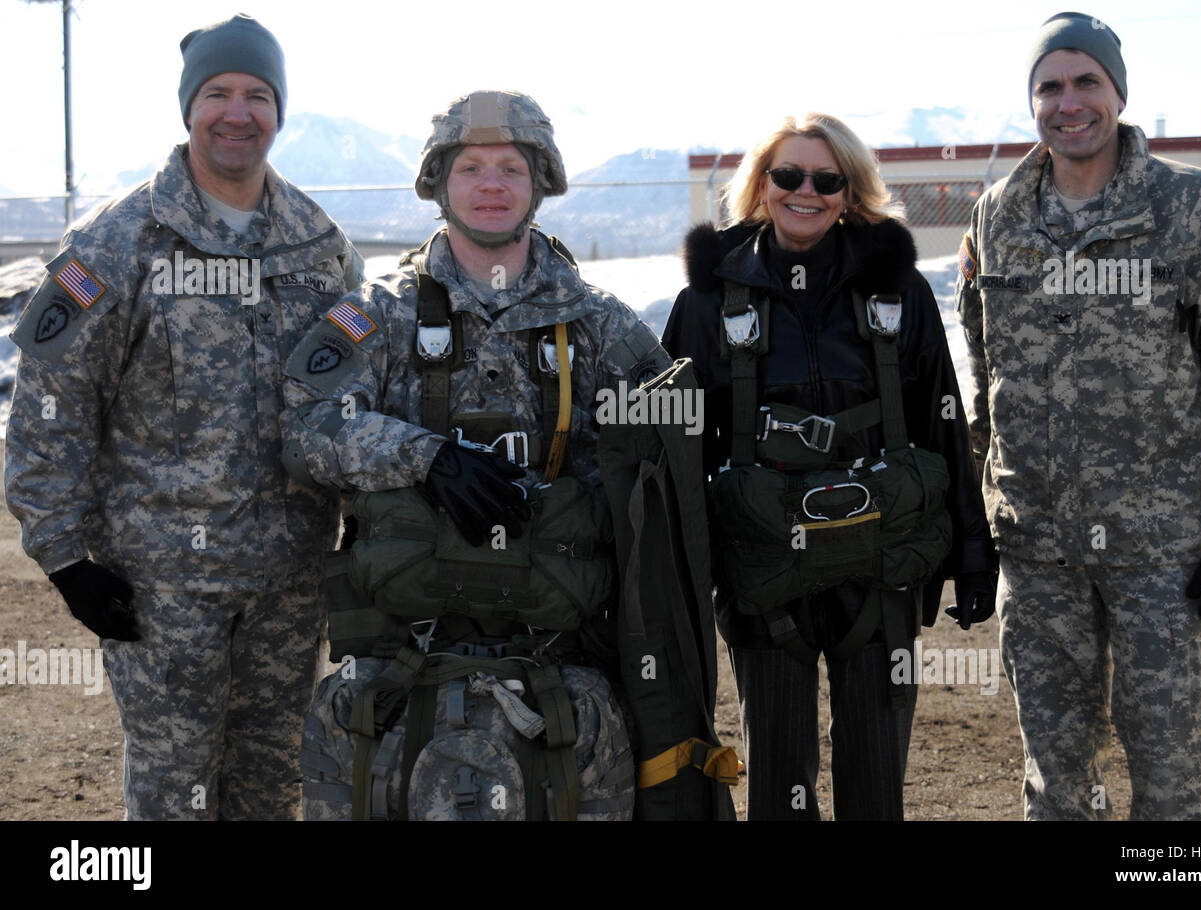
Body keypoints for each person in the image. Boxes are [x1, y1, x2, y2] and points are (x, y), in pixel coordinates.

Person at [285, 90, 735, 821]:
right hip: (404, 660)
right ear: (438, 184)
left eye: (510, 169)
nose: (490, 184)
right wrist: (425, 459)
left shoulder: (599, 325)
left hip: (560, 665)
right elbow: (305, 425)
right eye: (469, 168)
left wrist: (577, 501)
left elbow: (667, 457)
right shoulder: (381, 314)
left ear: (540, 185)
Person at [5, 13, 363, 820]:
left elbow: (350, 395)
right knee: (174, 795)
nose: (238, 113)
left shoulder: (320, 247)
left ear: (280, 111)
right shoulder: (115, 243)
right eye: (218, 93)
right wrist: (65, 560)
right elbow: (50, 409)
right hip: (162, 587)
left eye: (258, 95)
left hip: (289, 583)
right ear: (188, 108)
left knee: (271, 790)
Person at [957, 12, 1201, 820]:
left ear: (1117, 92)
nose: (1068, 104)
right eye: (1049, 87)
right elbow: (983, 364)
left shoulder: (1189, 208)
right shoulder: (997, 216)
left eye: (1086, 83)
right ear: (1031, 102)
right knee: (1056, 774)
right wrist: (976, 507)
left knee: (1172, 771)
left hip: (1160, 548)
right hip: (1037, 550)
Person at [662, 112, 996, 820]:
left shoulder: (898, 293)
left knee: (876, 783)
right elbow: (677, 449)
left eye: (825, 179)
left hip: (882, 566)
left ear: (851, 192)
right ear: (760, 185)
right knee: (779, 784)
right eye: (787, 176)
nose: (804, 191)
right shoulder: (709, 300)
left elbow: (943, 418)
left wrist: (973, 552)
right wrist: (675, 575)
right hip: (762, 574)